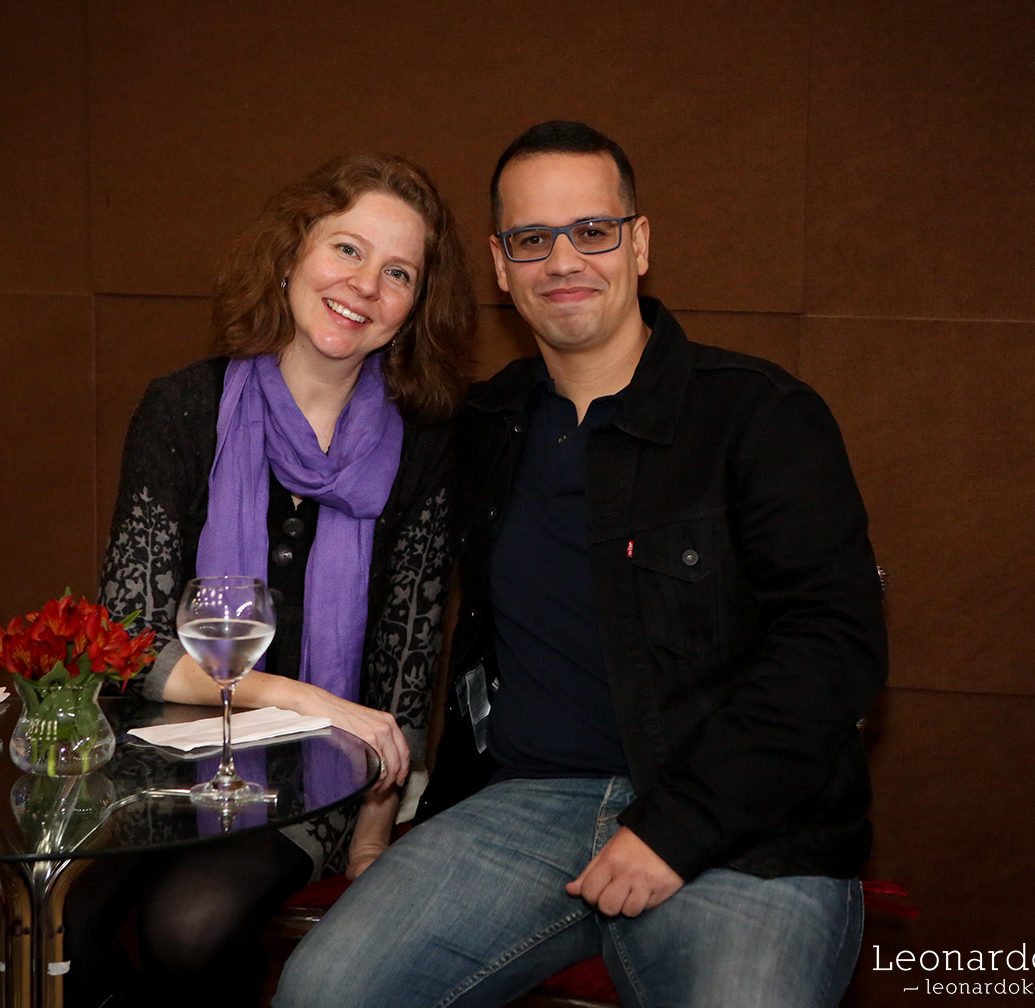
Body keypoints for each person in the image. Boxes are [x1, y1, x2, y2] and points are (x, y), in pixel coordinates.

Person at [273, 122, 888, 1008]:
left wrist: (677, 828)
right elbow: (331, 426)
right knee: (322, 993)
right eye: (532, 239)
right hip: (524, 807)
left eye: (593, 231)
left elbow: (833, 649)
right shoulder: (481, 427)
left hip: (745, 823)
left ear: (640, 243)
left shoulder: (761, 416)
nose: (563, 261)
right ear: (500, 264)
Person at [71, 152, 474, 1008]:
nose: (365, 285)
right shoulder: (183, 408)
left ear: (414, 307)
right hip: (160, 761)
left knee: (188, 924)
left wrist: (373, 832)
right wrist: (304, 696)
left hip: (316, 781)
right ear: (292, 253)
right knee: (53, 921)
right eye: (347, 249)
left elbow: (407, 659)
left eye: (398, 273)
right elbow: (128, 644)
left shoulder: (426, 444)